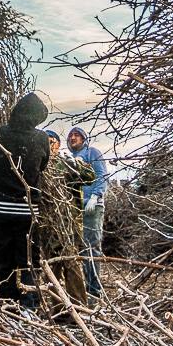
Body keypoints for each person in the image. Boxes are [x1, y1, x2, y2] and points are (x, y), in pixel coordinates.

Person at [0, 91, 49, 310]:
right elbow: (43, 166)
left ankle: (8, 303)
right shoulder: (41, 138)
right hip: (28, 210)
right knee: (29, 259)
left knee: (3, 256)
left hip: (0, 208)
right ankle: (29, 306)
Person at [36, 130, 94, 306]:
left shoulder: (64, 163)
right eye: (44, 142)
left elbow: (89, 177)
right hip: (47, 225)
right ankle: (60, 309)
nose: (48, 145)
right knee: (51, 267)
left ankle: (79, 307)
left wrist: (75, 163)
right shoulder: (38, 166)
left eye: (51, 141)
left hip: (68, 225)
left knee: (71, 264)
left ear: (58, 145)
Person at [67, 127, 108, 298]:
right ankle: (85, 288)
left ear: (84, 139)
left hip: (92, 207)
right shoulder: (70, 159)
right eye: (71, 136)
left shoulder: (92, 153)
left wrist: (95, 196)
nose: (73, 137)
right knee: (81, 250)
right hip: (76, 208)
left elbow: (102, 175)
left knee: (91, 247)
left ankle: (95, 290)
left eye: (77, 135)